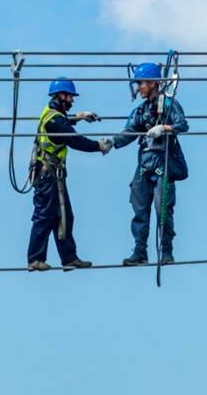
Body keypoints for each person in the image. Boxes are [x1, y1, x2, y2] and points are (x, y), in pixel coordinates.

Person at [103, 63, 189, 266]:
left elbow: (182, 125)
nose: (138, 87)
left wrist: (164, 128)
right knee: (139, 210)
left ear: (152, 83)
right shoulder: (140, 110)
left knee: (163, 210)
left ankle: (167, 251)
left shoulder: (169, 104)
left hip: (163, 163)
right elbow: (130, 133)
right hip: (144, 165)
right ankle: (140, 252)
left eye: (140, 83)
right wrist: (112, 142)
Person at [28, 77, 112, 271]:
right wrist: (98, 146)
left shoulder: (51, 114)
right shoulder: (55, 120)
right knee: (44, 216)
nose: (72, 101)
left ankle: (69, 258)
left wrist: (80, 116)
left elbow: (64, 121)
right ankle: (35, 259)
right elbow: (75, 140)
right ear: (60, 95)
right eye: (70, 97)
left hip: (53, 175)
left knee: (64, 216)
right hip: (47, 175)